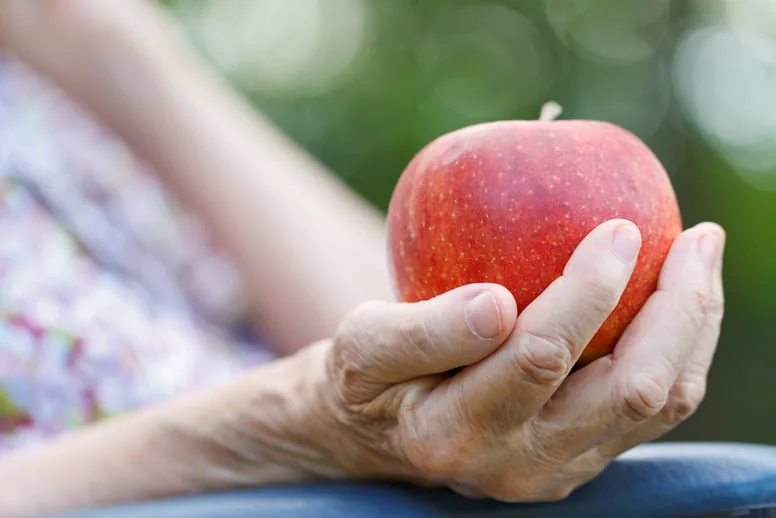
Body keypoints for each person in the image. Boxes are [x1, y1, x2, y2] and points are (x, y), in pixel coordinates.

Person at [0, 1, 726, 517]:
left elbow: (395, 336)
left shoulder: (51, 105)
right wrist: (275, 429)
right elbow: (337, 399)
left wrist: (104, 35)